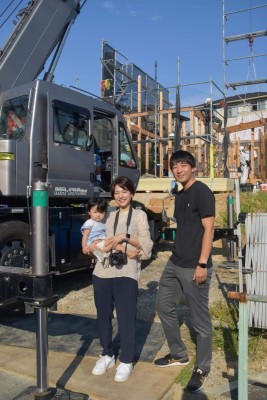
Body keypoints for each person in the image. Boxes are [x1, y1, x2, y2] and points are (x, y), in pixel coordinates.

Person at [154, 150, 215, 393]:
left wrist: (202, 264)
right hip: (175, 262)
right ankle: (179, 354)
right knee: (163, 305)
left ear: (192, 167)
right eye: (174, 166)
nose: (178, 169)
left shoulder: (202, 192)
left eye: (182, 165)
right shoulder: (180, 194)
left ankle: (203, 367)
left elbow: (209, 230)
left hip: (194, 266)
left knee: (200, 321)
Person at [88, 176, 153, 382]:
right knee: (103, 315)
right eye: (116, 192)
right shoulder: (107, 215)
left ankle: (126, 360)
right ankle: (107, 354)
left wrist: (124, 236)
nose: (121, 195)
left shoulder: (139, 215)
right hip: (102, 271)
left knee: (126, 316)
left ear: (132, 193)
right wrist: (92, 245)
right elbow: (92, 236)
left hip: (126, 272)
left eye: (124, 191)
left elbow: (146, 245)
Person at [81, 198, 138, 263]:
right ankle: (128, 252)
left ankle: (104, 255)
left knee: (114, 244)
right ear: (89, 212)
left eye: (101, 212)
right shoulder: (89, 222)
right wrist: (84, 247)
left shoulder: (102, 222)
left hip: (102, 241)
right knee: (114, 245)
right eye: (95, 212)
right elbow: (85, 236)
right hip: (95, 242)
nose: (98, 215)